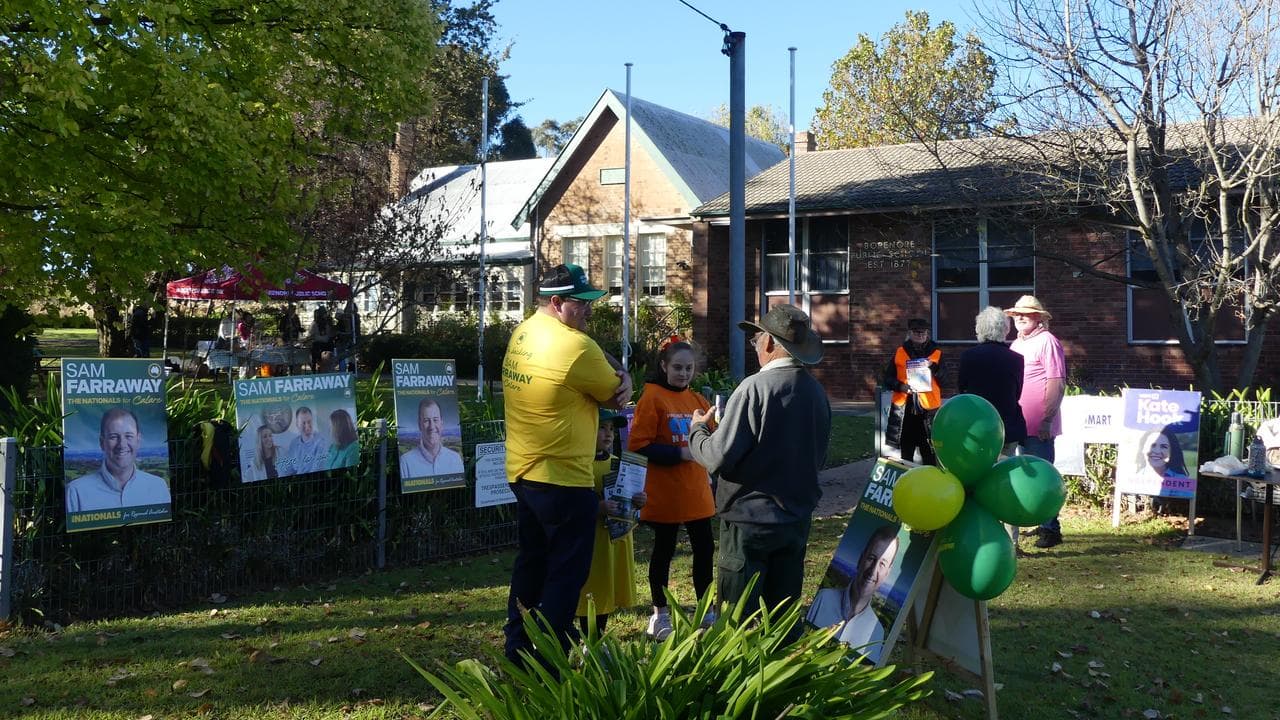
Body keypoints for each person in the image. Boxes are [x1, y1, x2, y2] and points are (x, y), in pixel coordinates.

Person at [501, 263, 630, 665]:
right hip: (564, 479)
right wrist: (622, 375)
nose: (589, 310)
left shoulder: (522, 333)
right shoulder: (577, 348)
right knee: (565, 575)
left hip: (524, 472)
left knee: (531, 564)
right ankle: (550, 658)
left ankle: (518, 649)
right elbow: (617, 397)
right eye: (581, 303)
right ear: (556, 303)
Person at [688, 303, 831, 635]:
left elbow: (716, 457)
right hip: (795, 518)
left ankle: (742, 683)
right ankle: (784, 681)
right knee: (783, 618)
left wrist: (697, 430)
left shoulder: (754, 388)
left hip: (748, 521)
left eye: (755, 341)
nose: (754, 348)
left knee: (738, 622)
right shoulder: (816, 392)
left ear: (768, 343)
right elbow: (817, 457)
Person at [627, 337, 715, 640]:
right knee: (664, 551)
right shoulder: (652, 398)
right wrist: (680, 453)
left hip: (696, 492)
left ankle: (707, 610)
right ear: (663, 366)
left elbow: (712, 437)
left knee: (705, 549)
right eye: (678, 367)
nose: (683, 373)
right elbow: (639, 445)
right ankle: (659, 615)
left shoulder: (697, 401)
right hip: (665, 493)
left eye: (689, 368)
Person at [576, 409, 645, 636]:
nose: (608, 434)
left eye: (612, 430)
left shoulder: (619, 464)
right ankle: (585, 637)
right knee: (589, 589)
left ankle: (596, 640)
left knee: (605, 589)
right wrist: (597, 507)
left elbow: (630, 502)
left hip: (614, 541)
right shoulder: (578, 465)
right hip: (589, 541)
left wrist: (638, 501)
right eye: (602, 428)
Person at [1007, 295, 1068, 548]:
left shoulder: (1048, 342)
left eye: (1027, 314)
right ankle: (1041, 522)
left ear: (1039, 318)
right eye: (1017, 314)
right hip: (1018, 423)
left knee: (1043, 478)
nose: (1020, 317)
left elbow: (1057, 381)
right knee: (1026, 478)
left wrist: (1047, 419)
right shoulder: (1016, 344)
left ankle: (1051, 530)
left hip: (1039, 426)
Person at [805, 525, 900, 659]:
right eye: (871, 558)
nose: (873, 570)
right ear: (861, 559)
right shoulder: (824, 599)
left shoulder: (877, 632)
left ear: (887, 573)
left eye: (882, 564)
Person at [65, 408, 171, 512]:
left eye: (129, 436)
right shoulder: (76, 491)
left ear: (138, 440)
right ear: (102, 442)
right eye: (113, 437)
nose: (122, 445)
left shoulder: (159, 487)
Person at [958, 306, 1027, 454]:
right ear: (1006, 329)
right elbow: (1017, 393)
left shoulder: (968, 356)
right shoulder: (1016, 359)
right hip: (1006, 427)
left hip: (977, 428)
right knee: (1004, 473)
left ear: (979, 329)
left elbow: (962, 389)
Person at [882, 318, 941, 465]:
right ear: (910, 333)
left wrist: (933, 367)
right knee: (906, 453)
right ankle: (907, 483)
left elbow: (945, 379)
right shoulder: (900, 352)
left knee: (929, 452)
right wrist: (900, 386)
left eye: (923, 332)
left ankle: (930, 485)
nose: (920, 335)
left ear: (927, 334)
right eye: (916, 332)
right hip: (905, 410)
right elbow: (887, 378)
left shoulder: (936, 353)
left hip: (928, 410)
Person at [399, 398, 464, 478]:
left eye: (435, 420)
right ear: (419, 424)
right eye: (426, 420)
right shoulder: (406, 462)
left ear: (441, 423)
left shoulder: (455, 459)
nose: (432, 426)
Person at [285, 406, 329, 475]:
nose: (307, 426)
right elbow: (289, 468)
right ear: (297, 424)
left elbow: (317, 470)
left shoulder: (321, 442)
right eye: (303, 423)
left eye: (309, 422)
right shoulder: (293, 444)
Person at [307, 307, 335, 373]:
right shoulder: (323, 323)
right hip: (324, 345)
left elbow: (311, 335)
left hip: (320, 346)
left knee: (315, 358)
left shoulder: (316, 323)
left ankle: (315, 371)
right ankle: (320, 370)